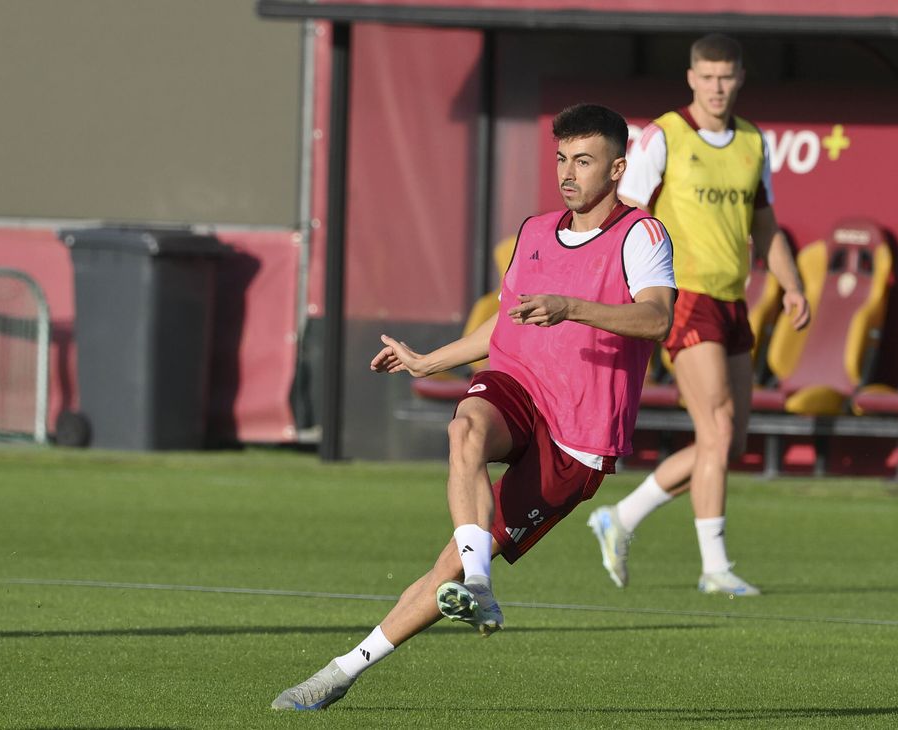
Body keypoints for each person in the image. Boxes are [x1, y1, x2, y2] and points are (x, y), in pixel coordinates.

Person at [271, 103, 676, 711]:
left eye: (584, 161)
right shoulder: (536, 231)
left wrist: (570, 307)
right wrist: (428, 361)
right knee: (464, 430)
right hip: (518, 383)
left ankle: (342, 671)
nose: (568, 173)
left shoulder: (641, 234)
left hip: (579, 436)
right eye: (562, 158)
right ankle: (482, 582)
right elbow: (504, 326)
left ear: (618, 168)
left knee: (445, 573)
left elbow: (656, 317)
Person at [586, 34, 810, 597]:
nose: (716, 86)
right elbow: (628, 215)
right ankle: (714, 567)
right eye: (706, 76)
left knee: (729, 445)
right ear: (691, 78)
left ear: (739, 79)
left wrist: (793, 285)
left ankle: (622, 517)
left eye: (726, 76)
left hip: (733, 299)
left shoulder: (754, 142)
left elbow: (765, 227)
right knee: (716, 430)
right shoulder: (666, 136)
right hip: (682, 296)